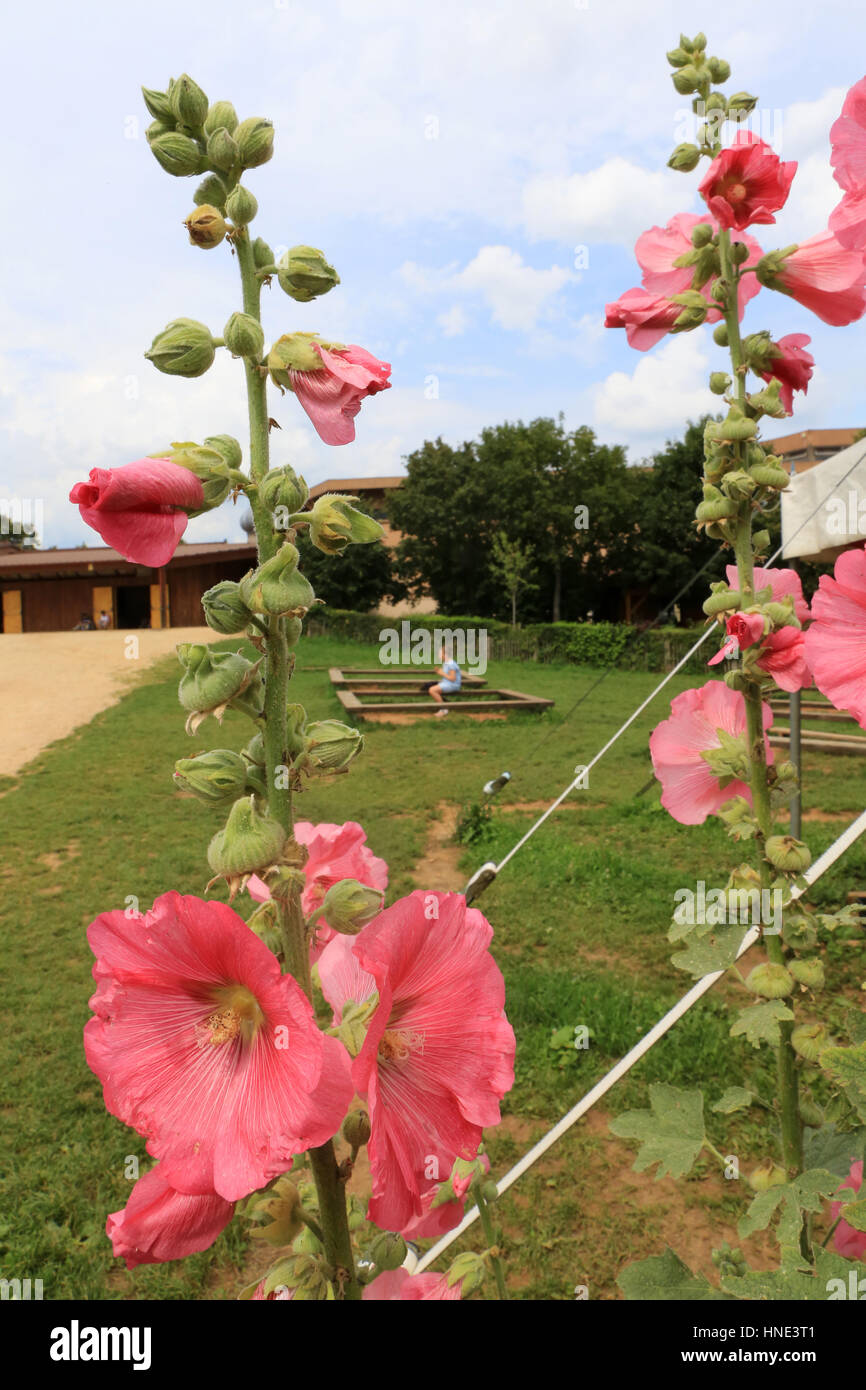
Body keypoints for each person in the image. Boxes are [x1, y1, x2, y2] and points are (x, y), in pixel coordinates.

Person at [424, 646, 461, 718]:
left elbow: (453, 678)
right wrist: (439, 671)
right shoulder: (446, 663)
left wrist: (441, 673)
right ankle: (444, 707)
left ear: (446, 654)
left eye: (440, 653)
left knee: (432, 690)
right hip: (447, 683)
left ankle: (443, 709)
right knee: (430, 686)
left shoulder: (451, 664)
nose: (439, 655)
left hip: (453, 685)